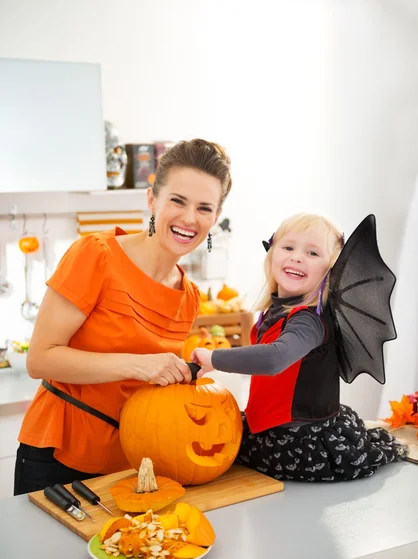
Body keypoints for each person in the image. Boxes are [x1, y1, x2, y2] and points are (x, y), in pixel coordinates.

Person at [14, 138, 232, 495]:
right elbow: (39, 359)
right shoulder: (95, 255)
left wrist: (184, 373)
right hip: (58, 455)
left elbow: (150, 391)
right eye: (177, 201)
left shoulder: (189, 297)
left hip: (136, 464)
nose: (189, 219)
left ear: (215, 218)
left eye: (204, 208)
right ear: (152, 200)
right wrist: (140, 365)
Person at [192, 213, 408, 482]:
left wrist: (214, 357)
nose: (297, 257)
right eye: (288, 247)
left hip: (298, 439)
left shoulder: (308, 320)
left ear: (330, 270)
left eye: (312, 252)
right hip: (270, 425)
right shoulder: (275, 311)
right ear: (271, 255)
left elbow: (275, 359)